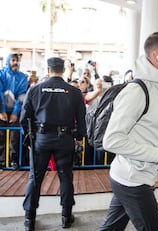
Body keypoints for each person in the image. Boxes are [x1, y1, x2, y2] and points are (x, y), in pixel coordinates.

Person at [98, 32, 158, 231]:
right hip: (132, 181)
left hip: (132, 177)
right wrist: (156, 154)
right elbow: (111, 140)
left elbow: (155, 128)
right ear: (156, 56)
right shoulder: (137, 91)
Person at [20, 57, 86, 230]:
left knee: (35, 178)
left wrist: (28, 137)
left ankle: (29, 219)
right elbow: (81, 121)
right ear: (63, 70)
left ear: (48, 70)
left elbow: (24, 118)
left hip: (41, 139)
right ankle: (66, 217)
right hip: (65, 140)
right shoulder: (74, 92)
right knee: (65, 177)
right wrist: (78, 137)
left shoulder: (35, 90)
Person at [0, 53, 28, 170]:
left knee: (14, 137)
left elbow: (21, 95)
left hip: (15, 113)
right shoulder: (1, 74)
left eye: (17, 60)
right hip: (1, 112)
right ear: (8, 61)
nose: (16, 62)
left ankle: (13, 160)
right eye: (13, 60)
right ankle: (1, 161)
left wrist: (15, 113)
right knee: (0, 137)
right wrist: (1, 111)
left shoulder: (23, 77)